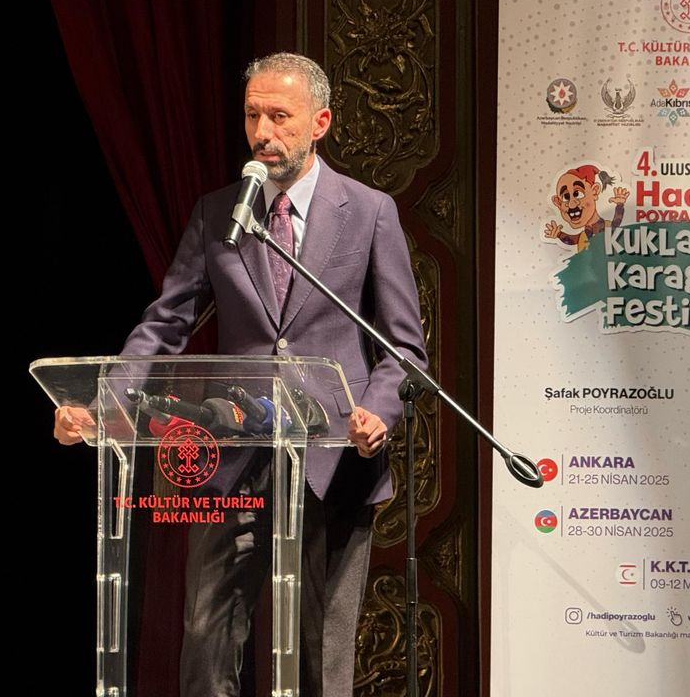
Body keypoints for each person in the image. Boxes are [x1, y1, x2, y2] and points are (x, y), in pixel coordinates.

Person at [54, 52, 428, 696]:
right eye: (253, 115)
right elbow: (165, 325)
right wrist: (103, 404)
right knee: (206, 635)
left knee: (320, 656)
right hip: (232, 455)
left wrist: (378, 410)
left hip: (332, 458)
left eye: (280, 117)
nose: (262, 132)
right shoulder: (218, 214)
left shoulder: (369, 212)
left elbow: (403, 347)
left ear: (320, 122)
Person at [544, 164, 629, 252]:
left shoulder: (607, 226)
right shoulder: (583, 235)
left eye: (577, 194)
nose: (572, 204)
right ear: (558, 203)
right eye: (566, 197)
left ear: (594, 191)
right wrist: (558, 234)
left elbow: (616, 224)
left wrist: (620, 204)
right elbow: (571, 240)